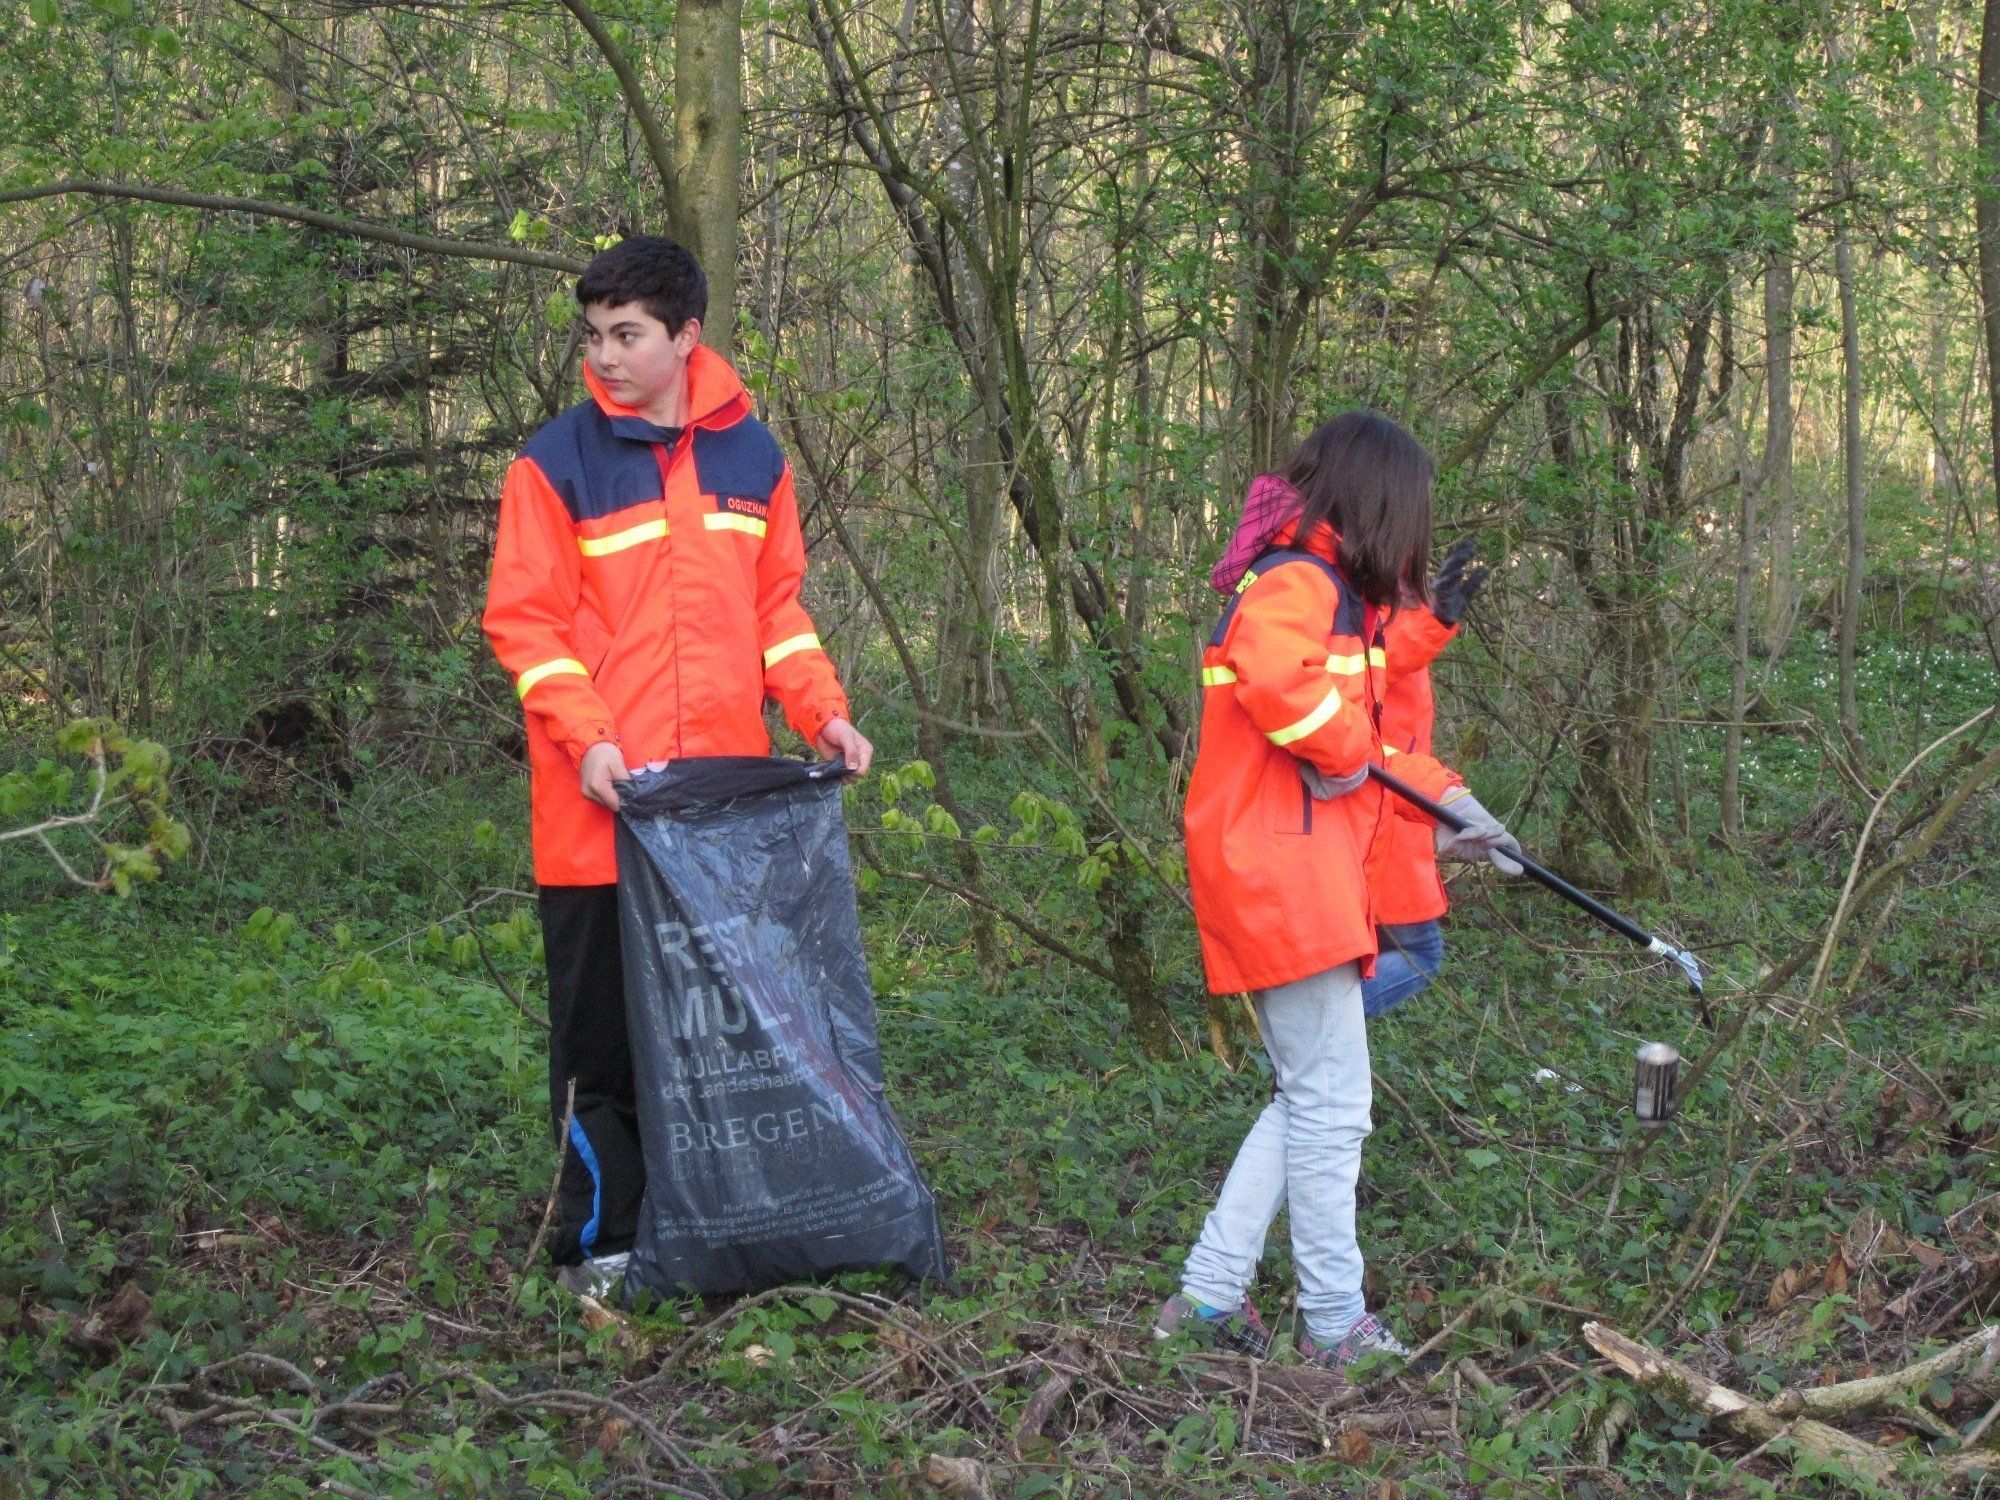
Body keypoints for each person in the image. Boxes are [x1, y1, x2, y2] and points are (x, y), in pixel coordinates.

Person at [483, 236, 873, 1296]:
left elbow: (776, 611)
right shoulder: (553, 462)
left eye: (627, 335)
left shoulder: (754, 459)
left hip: (719, 828)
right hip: (598, 814)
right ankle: (603, 1248)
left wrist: (823, 713)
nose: (604, 357)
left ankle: (715, 1231)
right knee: (602, 1051)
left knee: (718, 1041)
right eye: (593, 336)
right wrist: (590, 737)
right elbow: (525, 624)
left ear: (686, 335)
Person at [1155, 411, 1520, 1370]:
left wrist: (1448, 811)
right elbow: (1283, 685)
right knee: (1331, 1111)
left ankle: (1208, 1296)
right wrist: (1346, 751)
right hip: (1284, 879)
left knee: (1312, 1101)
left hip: (1299, 875)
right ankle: (1334, 1326)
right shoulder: (1299, 582)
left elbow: (1370, 739)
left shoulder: (1333, 596)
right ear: (1379, 503)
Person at [1204, 484, 1498, 1022]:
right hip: (1364, 798)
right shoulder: (1316, 580)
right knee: (1413, 954)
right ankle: (1310, 1023)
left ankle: (1310, 1027)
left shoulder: (1350, 581)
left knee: (1390, 957)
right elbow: (1306, 680)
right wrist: (1347, 757)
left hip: (1388, 792)